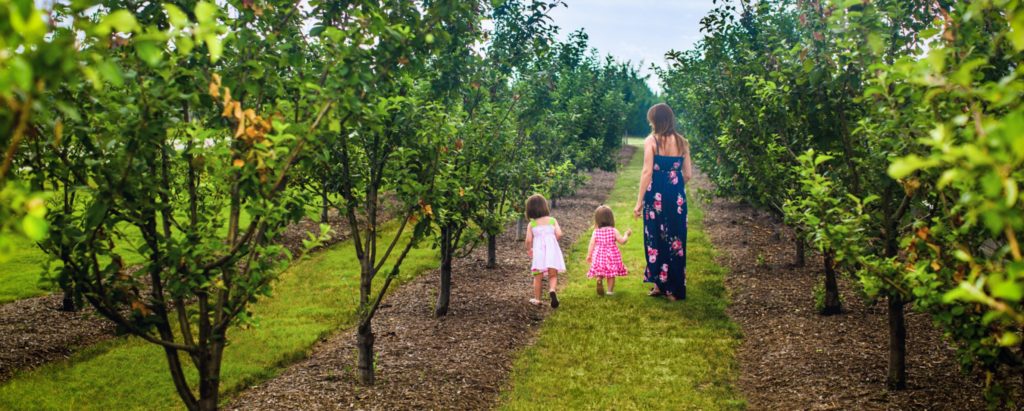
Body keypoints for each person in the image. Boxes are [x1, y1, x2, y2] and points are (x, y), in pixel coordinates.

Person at [633, 103, 693, 301]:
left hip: (655, 195)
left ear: (655, 120)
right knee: (676, 240)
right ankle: (673, 290)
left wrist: (639, 201)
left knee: (655, 239)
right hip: (676, 197)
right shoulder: (683, 142)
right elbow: (689, 174)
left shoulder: (651, 140)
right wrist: (673, 184)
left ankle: (659, 284)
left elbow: (647, 172)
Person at [525, 194, 565, 308]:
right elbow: (559, 234)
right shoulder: (552, 220)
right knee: (553, 275)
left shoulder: (531, 224)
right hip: (552, 252)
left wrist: (529, 249)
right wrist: (552, 241)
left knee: (538, 276)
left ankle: (537, 299)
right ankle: (552, 290)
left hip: (539, 253)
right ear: (545, 206)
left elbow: (528, 240)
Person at [586, 205, 631, 296]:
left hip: (599, 255)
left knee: (601, 270)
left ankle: (599, 278)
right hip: (611, 256)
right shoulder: (613, 230)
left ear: (597, 219)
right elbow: (622, 241)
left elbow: (591, 244)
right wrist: (626, 234)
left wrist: (589, 255)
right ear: (611, 218)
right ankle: (609, 291)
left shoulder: (596, 231)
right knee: (611, 274)